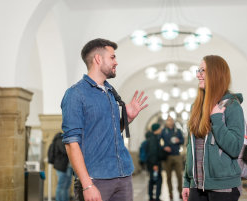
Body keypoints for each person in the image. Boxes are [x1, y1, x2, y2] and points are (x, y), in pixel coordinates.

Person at [61, 38, 148, 201]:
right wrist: (87, 185)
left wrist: (127, 119)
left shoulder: (109, 92)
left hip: (123, 175)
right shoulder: (75, 94)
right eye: (112, 57)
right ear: (98, 59)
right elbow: (71, 144)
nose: (116, 62)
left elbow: (108, 133)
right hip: (96, 179)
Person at [182, 55, 244, 201]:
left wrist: (216, 119)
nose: (198, 75)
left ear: (215, 74)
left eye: (202, 70)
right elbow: (190, 147)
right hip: (197, 186)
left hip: (223, 187)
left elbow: (235, 147)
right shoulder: (196, 107)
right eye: (198, 70)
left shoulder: (232, 106)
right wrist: (187, 182)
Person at [160, 116, 184, 200]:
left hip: (177, 155)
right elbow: (159, 142)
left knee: (179, 175)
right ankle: (170, 193)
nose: (170, 122)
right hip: (167, 156)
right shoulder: (163, 131)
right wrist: (164, 147)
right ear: (166, 122)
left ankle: (180, 192)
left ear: (173, 121)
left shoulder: (178, 130)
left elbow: (183, 140)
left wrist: (179, 141)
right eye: (168, 120)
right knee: (168, 176)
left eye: (171, 120)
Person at [49, 132, 73, 201]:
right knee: (61, 186)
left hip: (66, 167)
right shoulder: (60, 140)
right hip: (62, 167)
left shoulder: (61, 140)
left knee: (66, 186)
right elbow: (65, 151)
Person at [146, 123, 164, 201]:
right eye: (160, 128)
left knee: (153, 179)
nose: (161, 130)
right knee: (157, 179)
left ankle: (152, 197)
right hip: (154, 164)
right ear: (156, 130)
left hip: (154, 163)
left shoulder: (154, 138)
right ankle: (156, 198)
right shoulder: (153, 139)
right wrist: (155, 164)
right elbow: (153, 152)